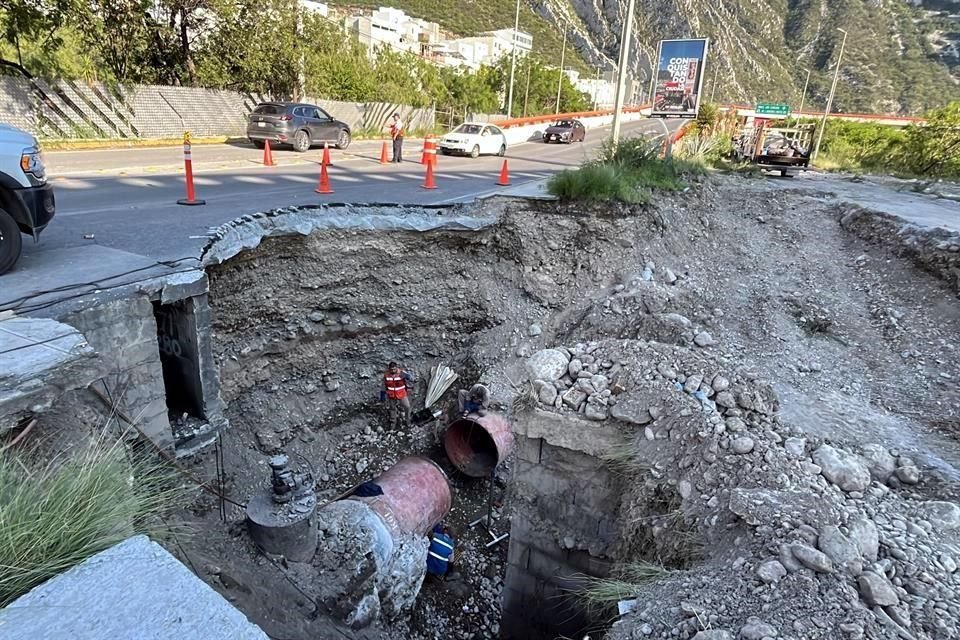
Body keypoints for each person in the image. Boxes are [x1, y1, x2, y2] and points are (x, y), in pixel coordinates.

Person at [382, 361, 413, 429]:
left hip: (401, 393)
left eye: (394, 369)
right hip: (391, 395)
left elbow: (411, 378)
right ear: (389, 369)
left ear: (396, 368)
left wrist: (407, 375)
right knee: (392, 409)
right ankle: (393, 423)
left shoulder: (401, 373)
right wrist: (383, 396)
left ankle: (408, 421)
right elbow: (383, 385)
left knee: (407, 406)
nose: (393, 370)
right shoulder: (386, 375)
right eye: (391, 369)